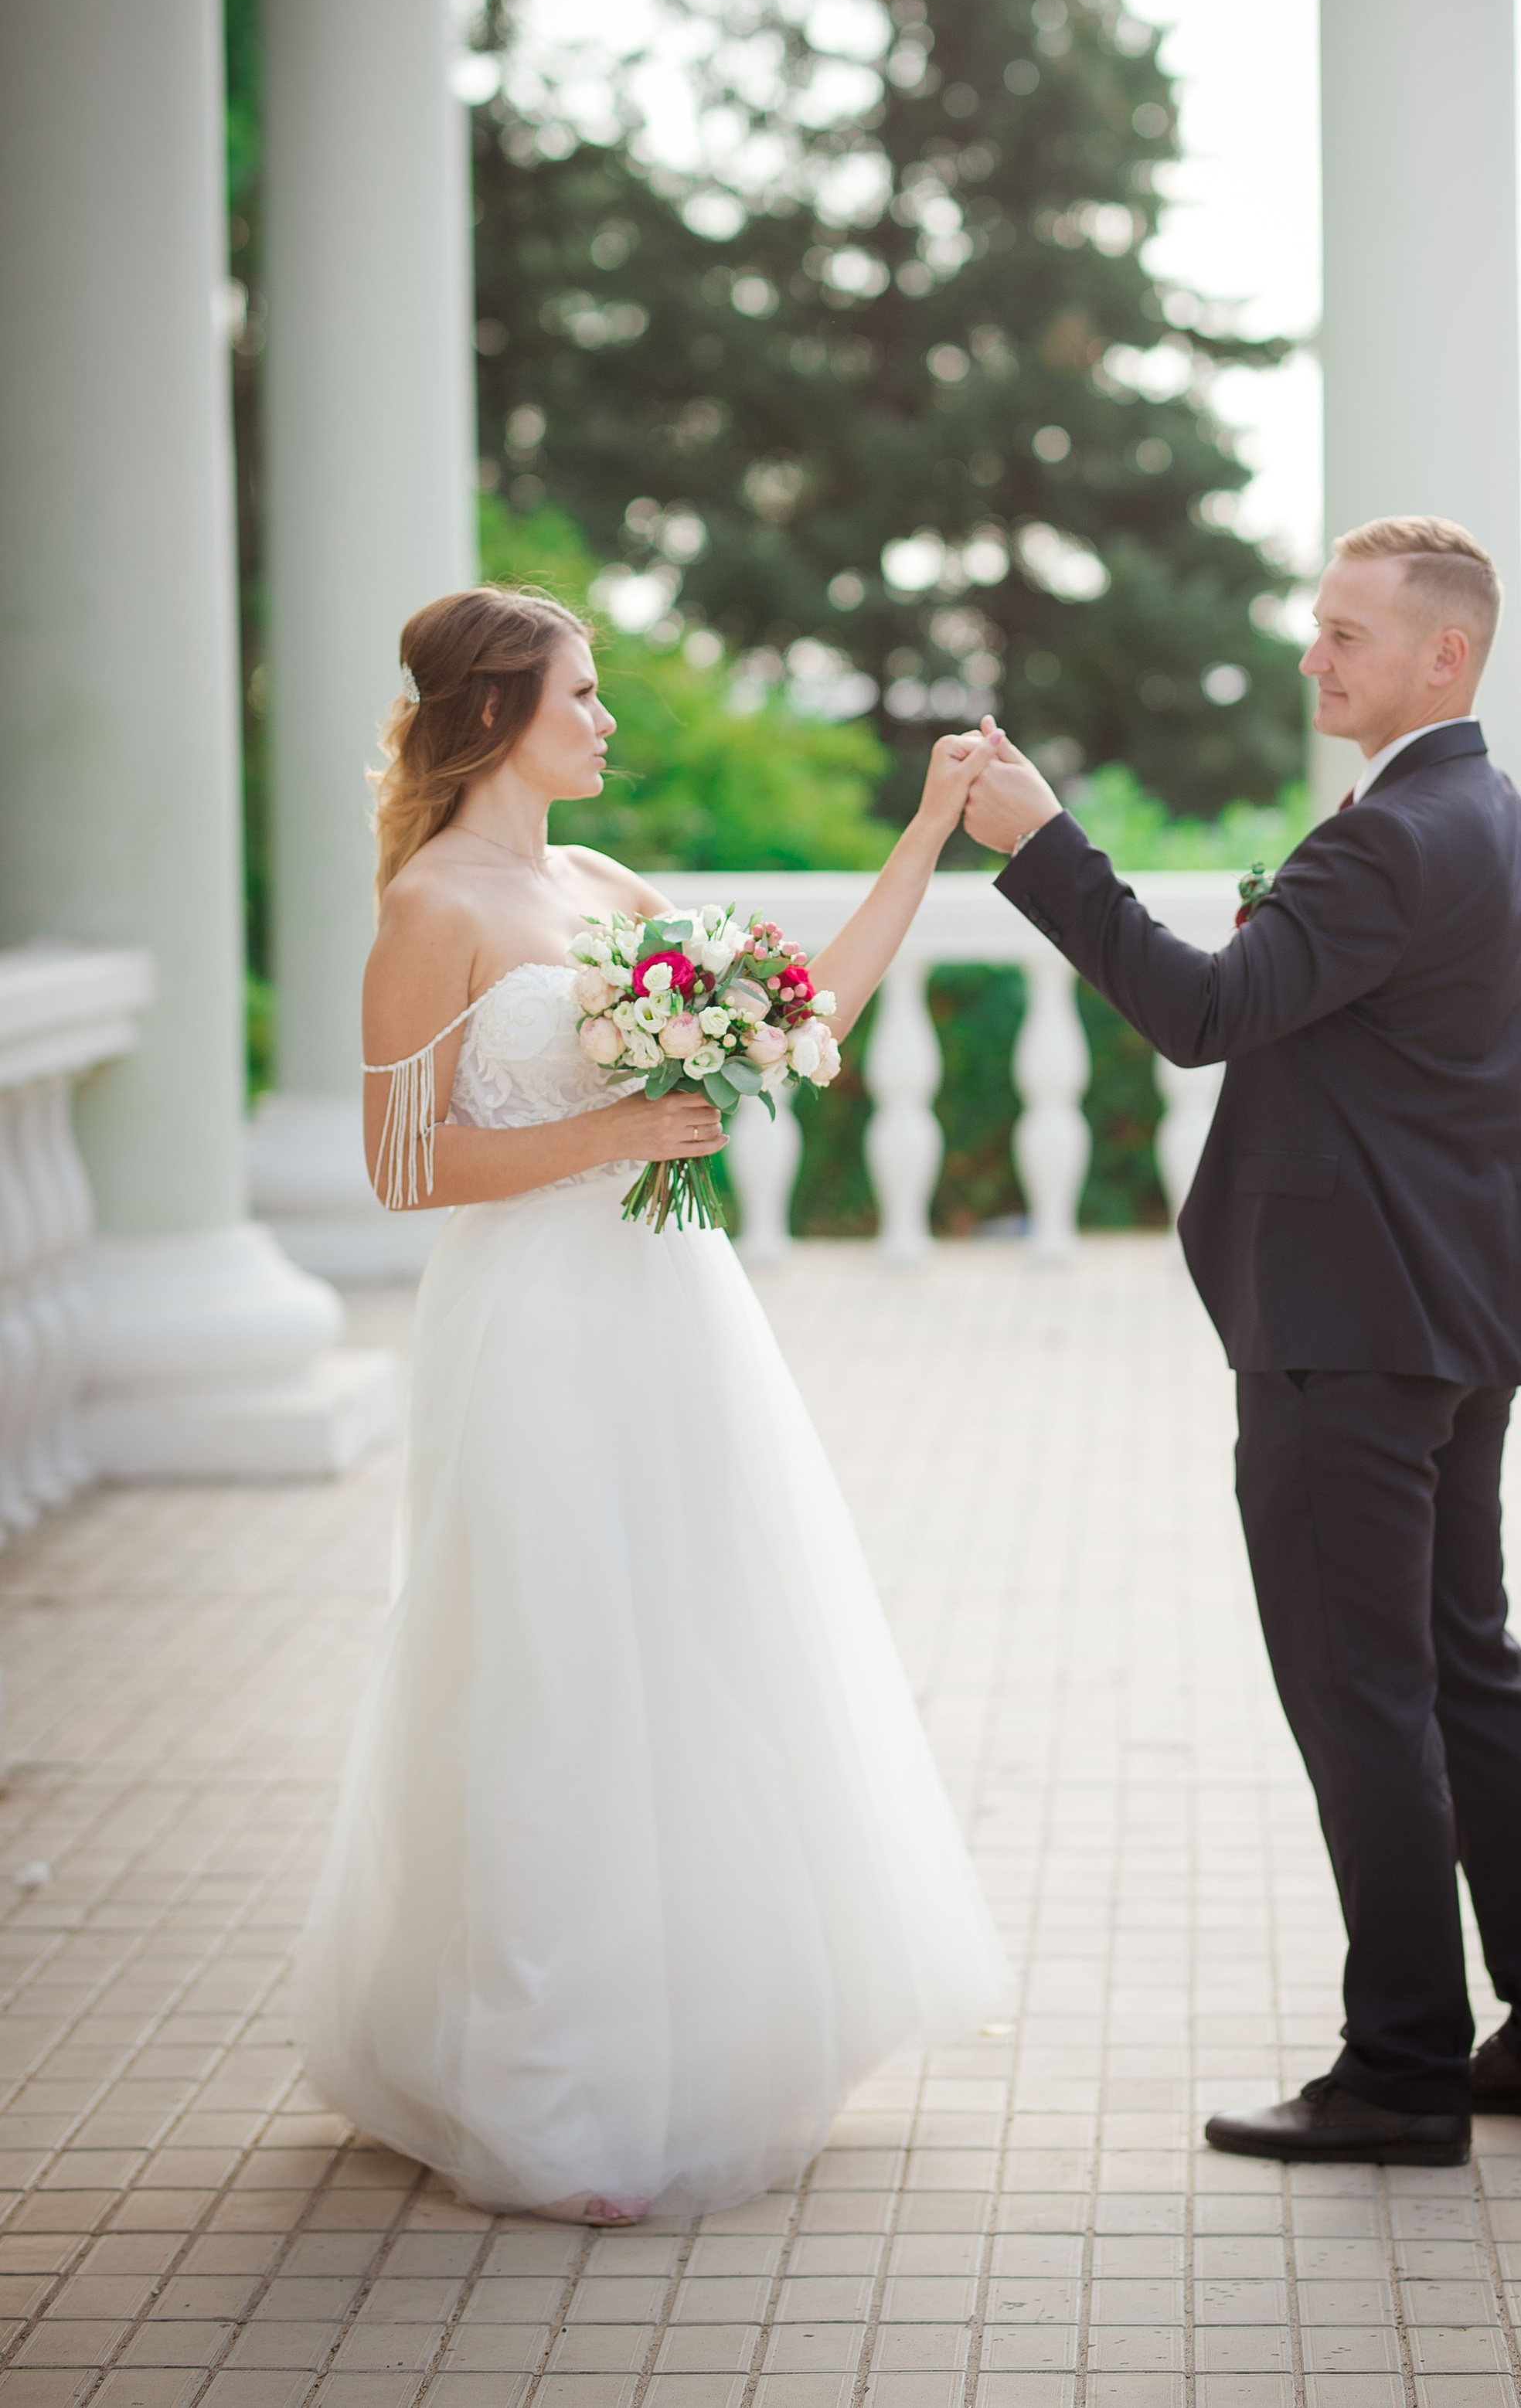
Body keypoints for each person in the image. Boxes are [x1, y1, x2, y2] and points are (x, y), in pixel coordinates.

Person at [295, 587, 1010, 2224]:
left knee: (692, 1651)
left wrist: (923, 839)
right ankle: (542, 2104)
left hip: (671, 1318)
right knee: (553, 1677)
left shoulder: (601, 884)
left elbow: (799, 1018)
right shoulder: (433, 909)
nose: (607, 722)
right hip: (532, 1326)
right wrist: (613, 1136)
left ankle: (678, 2045)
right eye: (584, 696)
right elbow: (402, 1167)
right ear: (494, 719)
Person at [968, 516, 1521, 2168]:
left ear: (1441, 657)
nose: (1314, 656)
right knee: (1465, 1674)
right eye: (1316, 626)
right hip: (1459, 1321)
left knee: (1369, 1702)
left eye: (1346, 634)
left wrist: (1044, 839)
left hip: (1348, 1333)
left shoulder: (1390, 836)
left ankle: (1400, 2070)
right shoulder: (1513, 826)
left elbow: (1196, 1011)